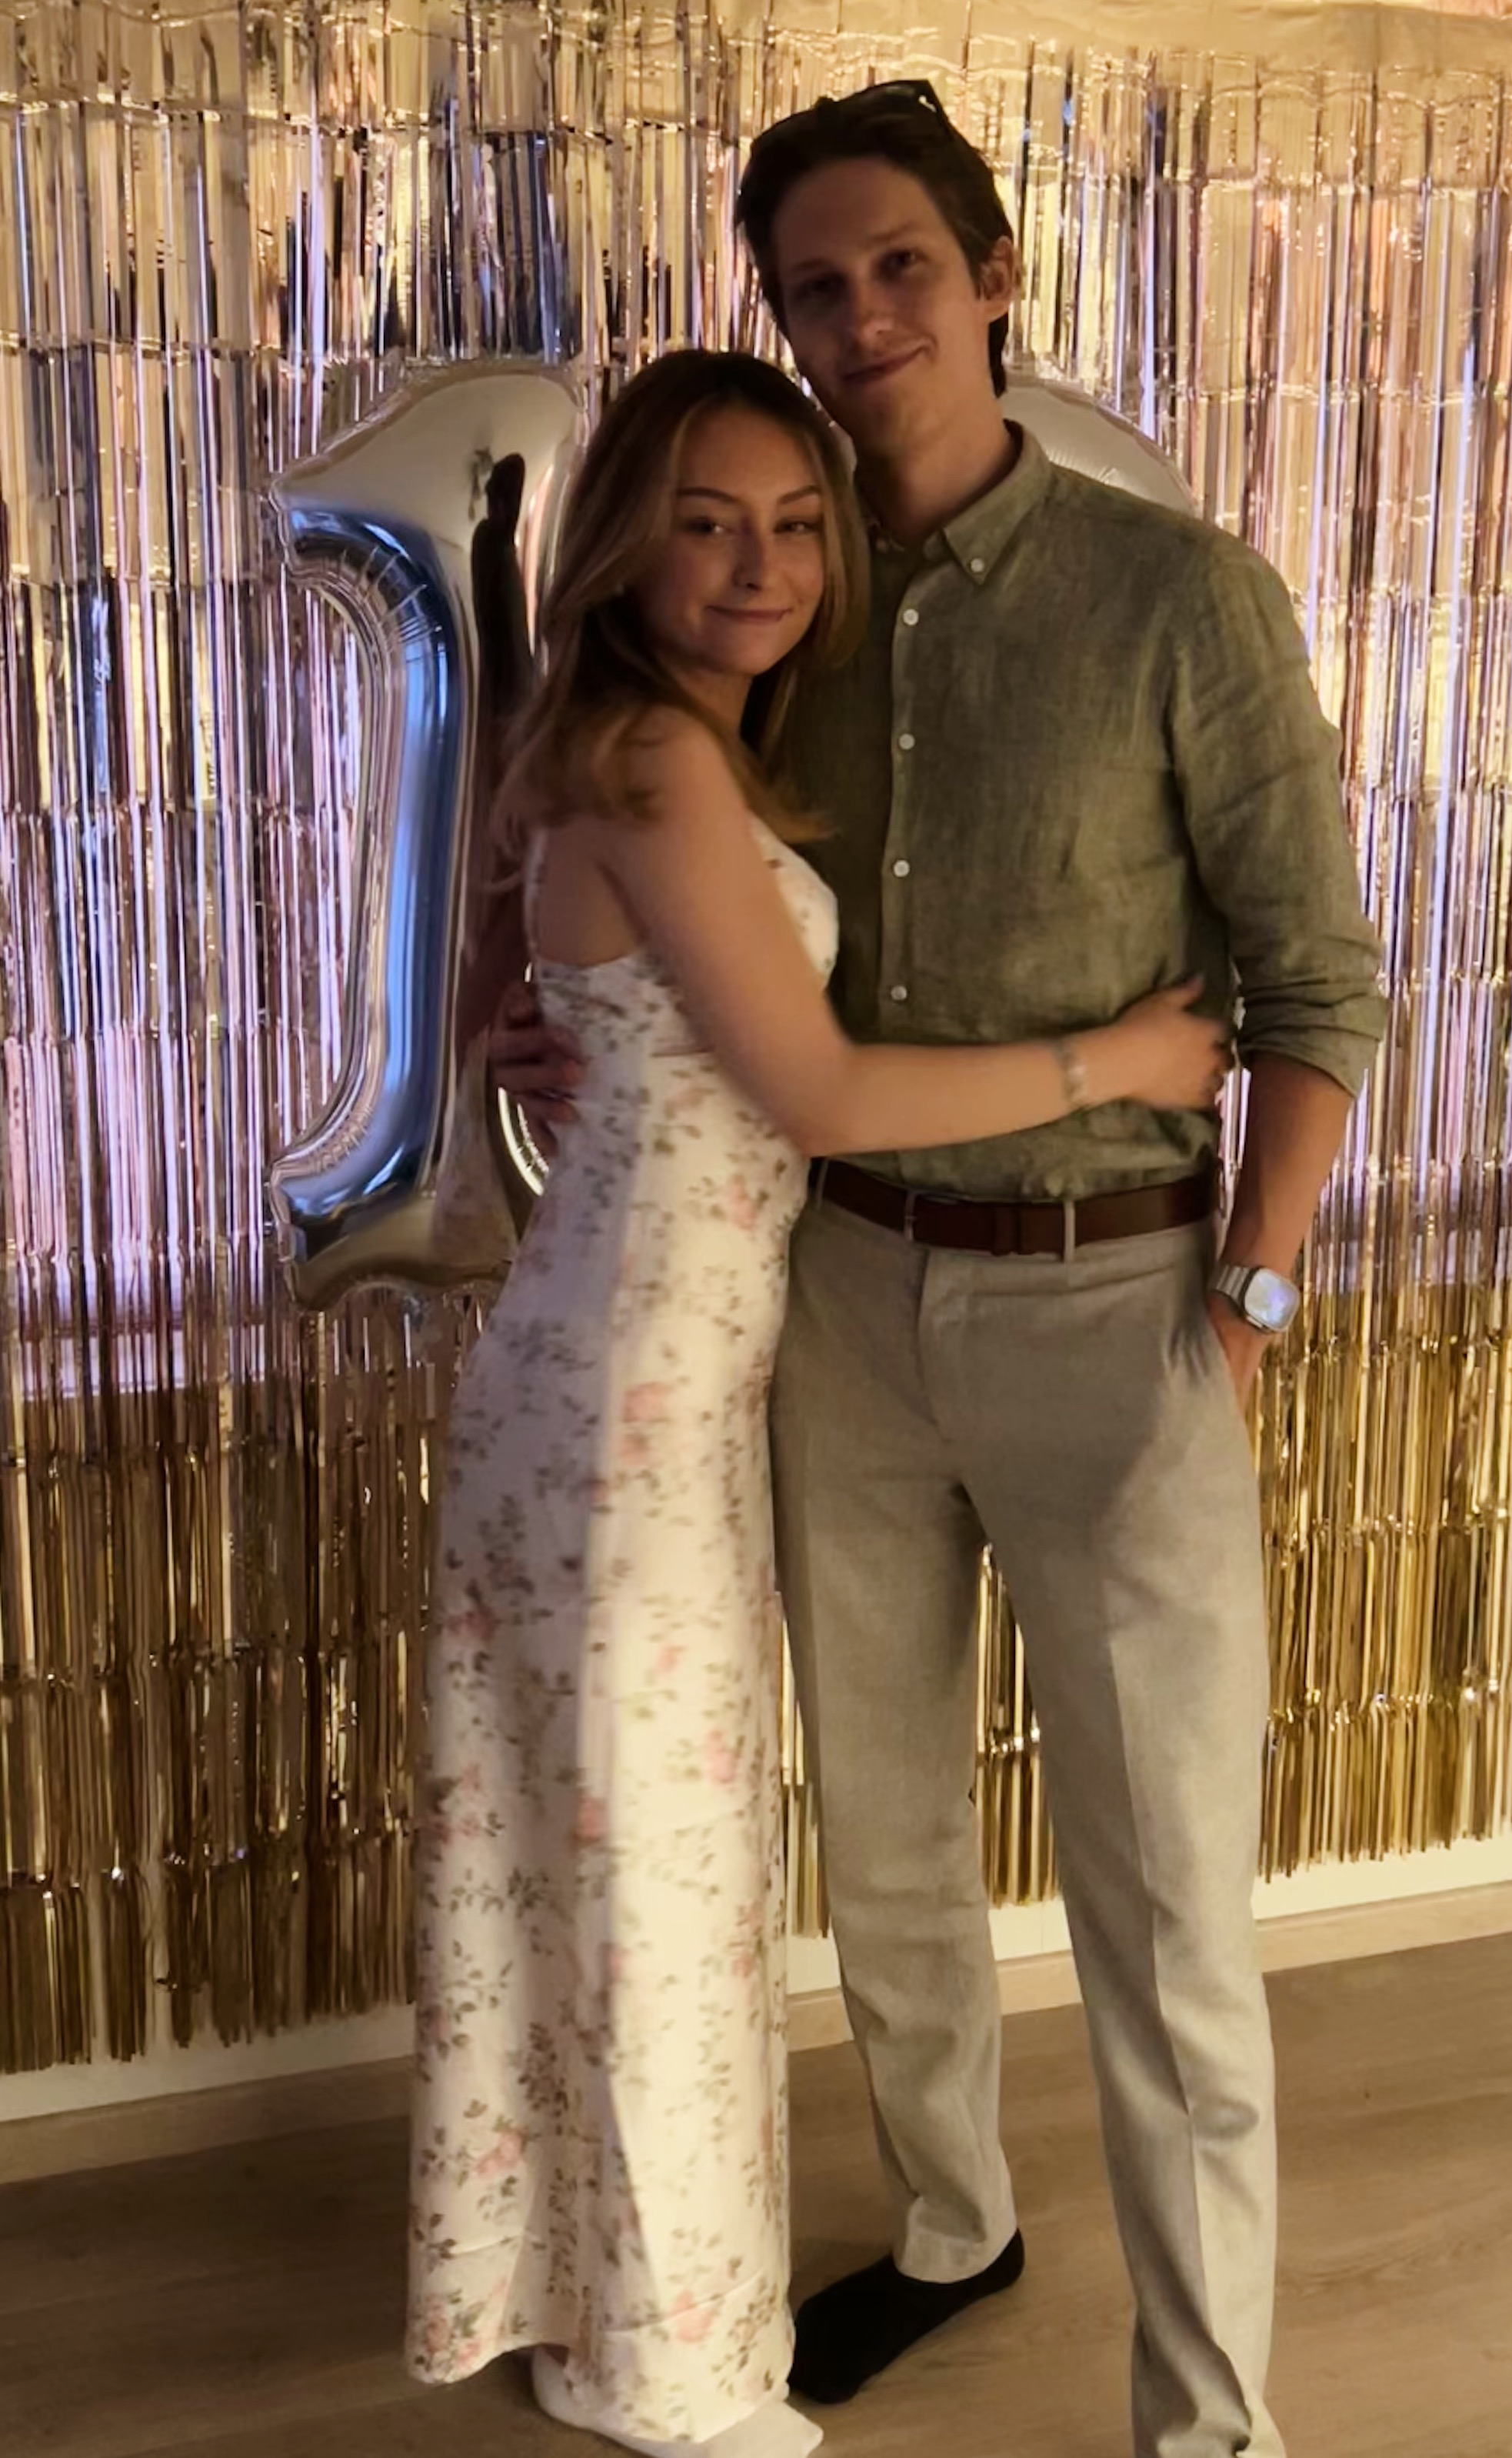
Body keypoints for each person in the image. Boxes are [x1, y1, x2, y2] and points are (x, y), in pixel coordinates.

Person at [497, 82, 1389, 2458]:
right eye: (814, 284)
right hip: (839, 1307)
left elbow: (1318, 991)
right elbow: (637, 864)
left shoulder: (1176, 597)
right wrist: (545, 995)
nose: (861, 314)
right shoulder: (774, 599)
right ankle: (948, 2223)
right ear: (779, 318)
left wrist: (1250, 1297)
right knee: (883, 1845)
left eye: (900, 263)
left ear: (993, 275)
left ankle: (1208, 2422)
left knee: (1167, 1911)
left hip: (1117, 1307)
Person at [405, 343, 1231, 2458]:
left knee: (599, 1862)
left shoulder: (654, 742)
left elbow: (542, 993)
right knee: (655, 1879)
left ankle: (583, 2301)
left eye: (794, 523)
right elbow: (825, 1093)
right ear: (623, 541)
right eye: (705, 521)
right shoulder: (652, 760)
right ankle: (670, 2366)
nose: (759, 563)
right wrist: (1122, 1062)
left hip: (630, 1382)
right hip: (627, 1405)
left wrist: (523, 1021)